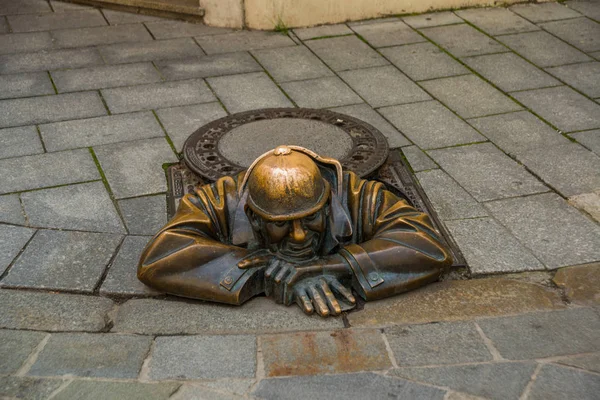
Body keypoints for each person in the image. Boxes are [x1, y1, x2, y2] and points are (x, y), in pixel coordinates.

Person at [138, 146, 452, 317]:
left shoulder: (358, 195)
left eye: (312, 218)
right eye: (280, 224)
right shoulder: (219, 199)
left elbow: (428, 245)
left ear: (328, 203)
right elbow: (159, 257)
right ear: (254, 217)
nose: (300, 235)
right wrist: (262, 272)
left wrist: (329, 266)